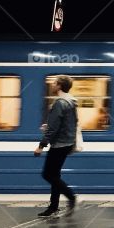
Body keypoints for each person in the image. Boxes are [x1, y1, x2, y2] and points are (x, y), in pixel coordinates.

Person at [35, 75, 78, 218]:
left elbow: (53, 128)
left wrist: (41, 146)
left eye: (54, 83)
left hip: (59, 144)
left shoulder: (59, 103)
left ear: (59, 86)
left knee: (47, 174)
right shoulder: (71, 101)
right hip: (67, 143)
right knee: (55, 175)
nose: (52, 85)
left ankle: (72, 197)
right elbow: (71, 123)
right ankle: (53, 207)